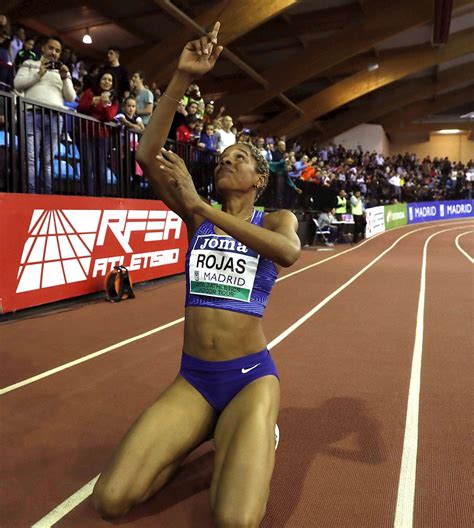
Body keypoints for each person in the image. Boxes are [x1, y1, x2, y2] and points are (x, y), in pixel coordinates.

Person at [92, 22, 301, 527]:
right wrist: (183, 77)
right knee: (111, 500)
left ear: (258, 179)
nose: (227, 163)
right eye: (224, 159)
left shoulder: (272, 218)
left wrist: (200, 207)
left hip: (249, 377)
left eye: (240, 160)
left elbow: (287, 252)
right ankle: (206, 427)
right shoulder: (197, 213)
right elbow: (146, 155)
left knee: (234, 521)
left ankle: (255, 429)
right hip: (195, 378)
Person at [13, 35, 75, 193]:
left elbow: (71, 97)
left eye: (58, 51)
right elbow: (17, 84)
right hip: (31, 115)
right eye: (51, 48)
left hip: (55, 117)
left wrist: (66, 78)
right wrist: (38, 74)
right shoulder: (30, 64)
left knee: (48, 161)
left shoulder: (62, 72)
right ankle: (31, 195)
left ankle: (46, 196)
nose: (54, 52)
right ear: (43, 48)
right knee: (31, 158)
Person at [77, 71, 119, 194]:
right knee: (87, 165)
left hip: (102, 137)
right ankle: (87, 196)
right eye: (104, 78)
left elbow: (109, 117)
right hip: (86, 134)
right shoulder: (90, 92)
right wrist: (92, 103)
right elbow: (80, 108)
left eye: (110, 80)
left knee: (100, 168)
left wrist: (105, 104)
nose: (107, 81)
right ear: (99, 80)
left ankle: (101, 197)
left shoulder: (114, 99)